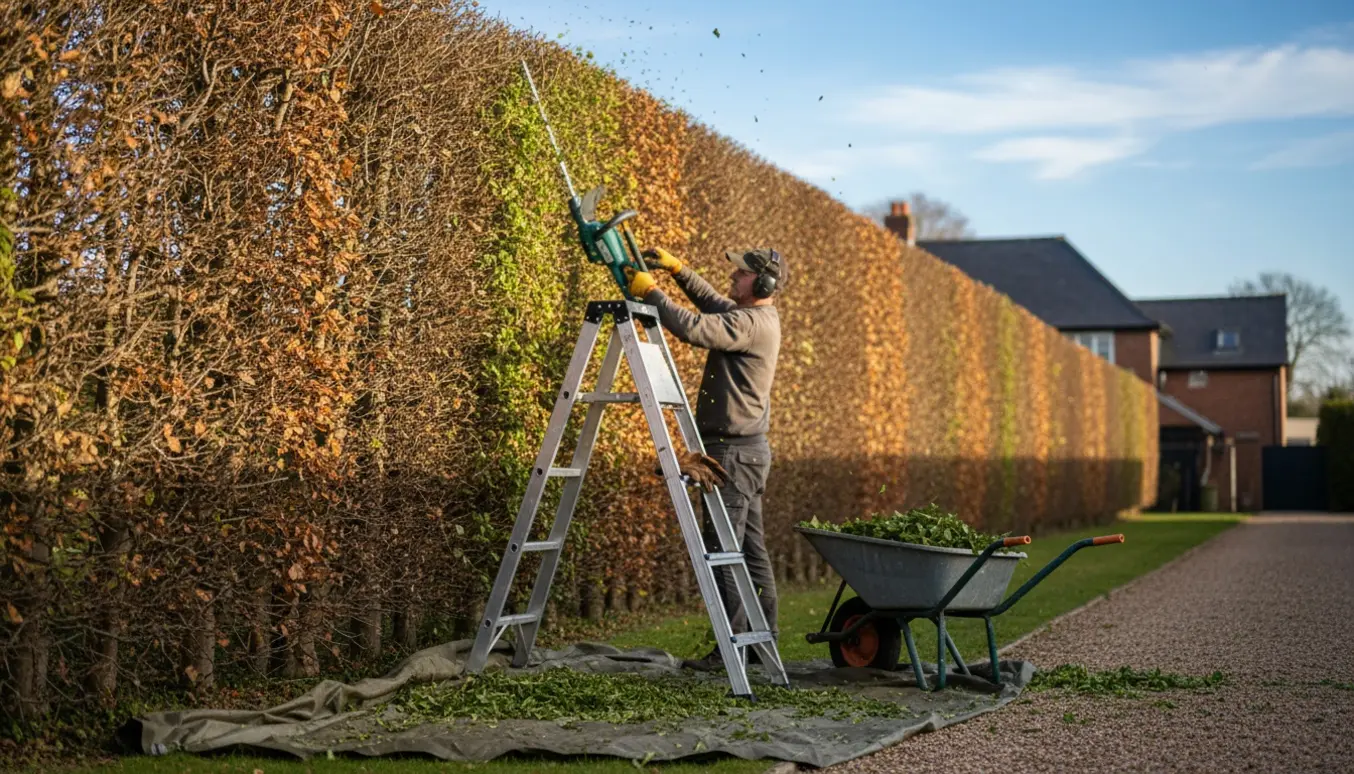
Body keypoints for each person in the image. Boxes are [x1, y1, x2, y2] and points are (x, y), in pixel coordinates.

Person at [627, 246, 785, 668]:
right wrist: (678, 271)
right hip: (747, 453)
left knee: (724, 550)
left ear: (763, 283)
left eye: (741, 274)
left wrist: (652, 293)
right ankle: (761, 643)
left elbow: (694, 328)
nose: (733, 276)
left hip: (733, 455)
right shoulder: (755, 318)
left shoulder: (749, 324)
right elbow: (712, 303)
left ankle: (733, 651)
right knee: (750, 551)